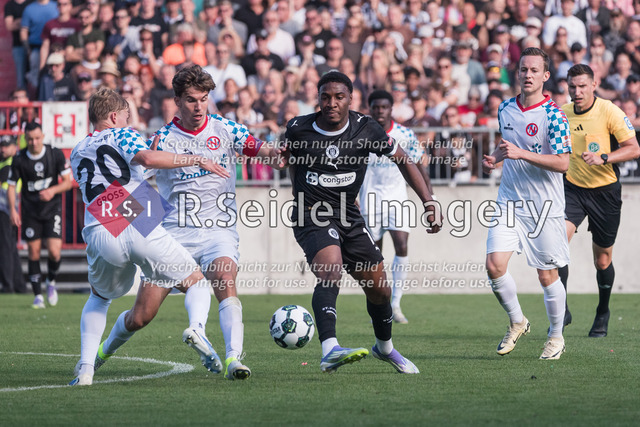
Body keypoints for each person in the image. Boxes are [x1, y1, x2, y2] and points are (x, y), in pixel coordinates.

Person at [68, 87, 230, 386]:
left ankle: (86, 369)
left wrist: (147, 167)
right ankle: (196, 327)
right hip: (133, 215)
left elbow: (115, 180)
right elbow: (146, 158)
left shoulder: (78, 150)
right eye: (126, 116)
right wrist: (195, 159)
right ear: (114, 116)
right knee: (195, 281)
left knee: (99, 297)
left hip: (100, 224)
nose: (129, 121)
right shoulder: (123, 133)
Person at [282, 71, 440, 374]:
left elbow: (403, 159)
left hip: (349, 215)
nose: (331, 103)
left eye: (338, 97)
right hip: (312, 213)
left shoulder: (366, 128)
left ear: (350, 99)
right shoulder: (298, 128)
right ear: (318, 99)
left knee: (380, 289)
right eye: (325, 97)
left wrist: (429, 201)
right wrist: (297, 192)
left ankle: (385, 348)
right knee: (331, 269)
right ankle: (330, 348)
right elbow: (289, 161)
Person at [148, 64, 286, 380]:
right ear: (177, 101)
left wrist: (282, 153)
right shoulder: (163, 139)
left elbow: (266, 153)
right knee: (142, 314)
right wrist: (149, 228)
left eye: (203, 99)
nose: (199, 107)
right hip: (175, 234)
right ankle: (97, 356)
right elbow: (134, 183)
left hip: (218, 231)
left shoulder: (226, 129)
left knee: (225, 279)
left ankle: (234, 358)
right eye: (191, 100)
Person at [482, 48, 572, 360]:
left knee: (546, 275)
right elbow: (507, 145)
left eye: (534, 70)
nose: (528, 75)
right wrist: (495, 158)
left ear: (545, 76)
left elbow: (563, 163)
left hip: (544, 207)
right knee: (494, 265)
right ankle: (518, 321)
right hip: (509, 201)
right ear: (517, 73)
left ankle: (556, 336)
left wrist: (523, 154)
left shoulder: (554, 115)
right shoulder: (505, 108)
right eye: (523, 69)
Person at [560, 64, 640, 337]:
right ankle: (561, 309)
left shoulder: (609, 111)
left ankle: (603, 311)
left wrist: (604, 157)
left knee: (603, 261)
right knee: (556, 245)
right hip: (572, 189)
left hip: (605, 193)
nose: (577, 91)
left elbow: (634, 149)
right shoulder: (562, 113)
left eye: (583, 86)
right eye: (573, 86)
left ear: (594, 85)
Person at [359, 90, 434, 324]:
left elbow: (418, 166)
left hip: (397, 199)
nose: (380, 111)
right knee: (375, 257)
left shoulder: (404, 134)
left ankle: (396, 304)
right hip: (369, 201)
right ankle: (378, 305)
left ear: (391, 109)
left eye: (384, 107)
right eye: (376, 107)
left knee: (401, 245)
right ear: (370, 108)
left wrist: (430, 199)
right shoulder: (361, 133)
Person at [7, 121, 73, 308]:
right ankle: (37, 296)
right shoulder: (19, 159)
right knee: (33, 252)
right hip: (30, 211)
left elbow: (68, 182)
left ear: (43, 136)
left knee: (54, 251)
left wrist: (52, 190)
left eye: (37, 138)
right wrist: (13, 209)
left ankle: (51, 281)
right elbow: (11, 186)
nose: (34, 142)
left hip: (52, 209)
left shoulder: (55, 154)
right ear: (25, 139)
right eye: (30, 139)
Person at [0, 135, 27, 294]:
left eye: (6, 146)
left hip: (6, 209)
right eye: (1, 146)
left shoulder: (10, 164)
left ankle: (7, 284)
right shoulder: (6, 162)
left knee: (5, 248)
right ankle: (19, 285)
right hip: (9, 209)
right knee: (10, 248)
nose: (3, 149)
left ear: (14, 147)